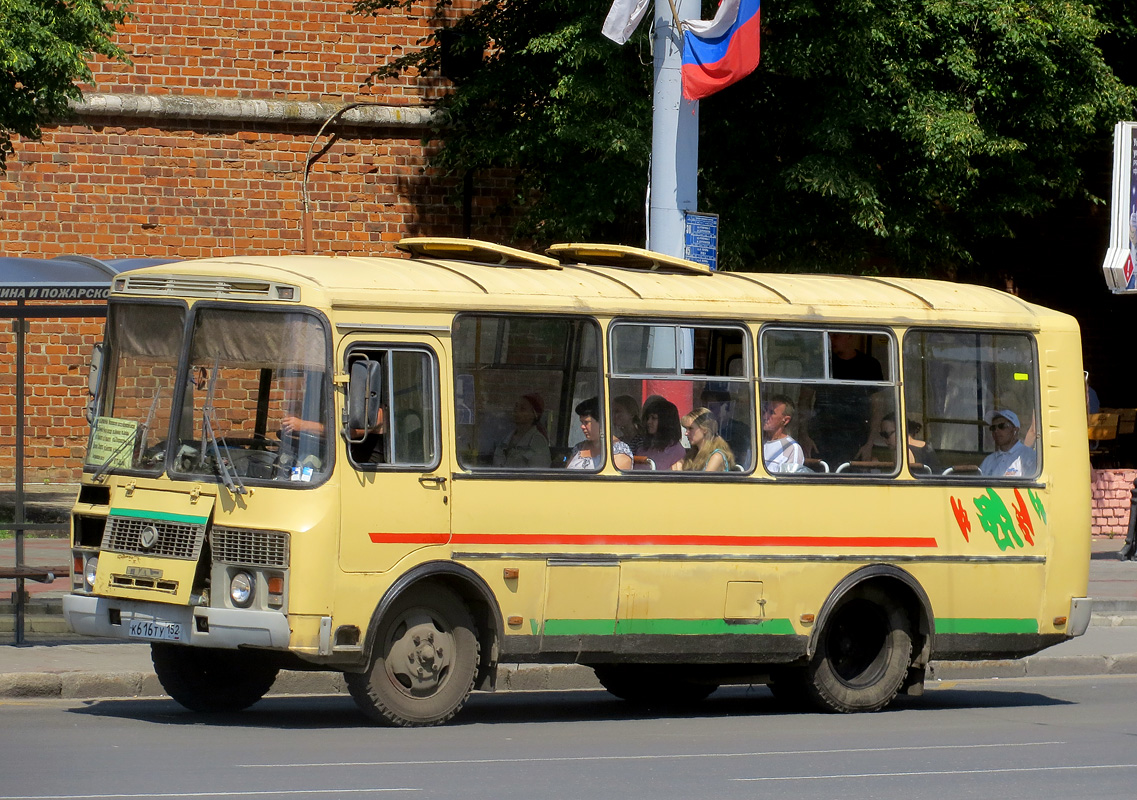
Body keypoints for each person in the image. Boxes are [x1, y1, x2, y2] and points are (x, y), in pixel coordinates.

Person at [798, 332, 886, 466]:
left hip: (856, 438)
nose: (831, 340)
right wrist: (804, 436)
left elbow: (878, 407)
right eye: (829, 336)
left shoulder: (869, 365)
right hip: (820, 437)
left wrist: (869, 443)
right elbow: (804, 401)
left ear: (850, 336)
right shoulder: (819, 362)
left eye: (836, 336)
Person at [567, 397, 633, 470]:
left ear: (602, 422)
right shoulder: (579, 448)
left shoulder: (619, 452)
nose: (582, 426)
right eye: (581, 422)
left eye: (587, 422)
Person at [493, 393, 551, 468]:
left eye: (522, 409)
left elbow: (538, 474)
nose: (516, 410)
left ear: (534, 415)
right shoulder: (505, 439)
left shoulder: (538, 442)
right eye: (516, 406)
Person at [673, 407, 734, 471]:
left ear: (704, 429)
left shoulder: (717, 457)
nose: (686, 433)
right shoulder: (692, 456)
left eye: (691, 428)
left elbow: (703, 480)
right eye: (686, 429)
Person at [701, 387, 751, 467]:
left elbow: (743, 462)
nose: (707, 413)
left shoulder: (740, 430)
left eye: (712, 407)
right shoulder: (702, 429)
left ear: (725, 407)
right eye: (704, 407)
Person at [979, 409, 1036, 477]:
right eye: (993, 428)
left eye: (1002, 426)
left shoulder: (1029, 456)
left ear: (1015, 430)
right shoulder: (988, 461)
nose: (996, 431)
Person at [637, 395, 686, 470]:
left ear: (665, 421)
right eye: (648, 418)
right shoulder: (643, 448)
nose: (649, 422)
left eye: (653, 418)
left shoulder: (677, 452)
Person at [762, 395, 804, 474]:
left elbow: (791, 481)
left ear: (785, 420)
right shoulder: (757, 442)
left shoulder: (791, 448)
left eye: (771, 413)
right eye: (765, 411)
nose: (765, 416)